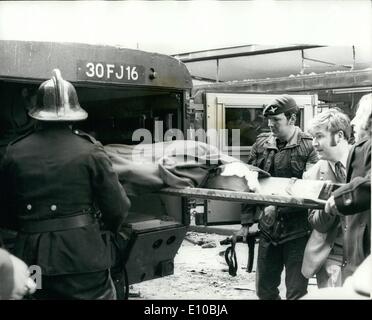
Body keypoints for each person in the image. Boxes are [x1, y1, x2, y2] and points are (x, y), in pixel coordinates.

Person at [0, 69, 131, 299]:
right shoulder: (90, 150)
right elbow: (118, 206)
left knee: (37, 295)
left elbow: (6, 212)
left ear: (36, 113)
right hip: (84, 258)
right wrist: (104, 233)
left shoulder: (14, 152)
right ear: (74, 114)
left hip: (32, 259)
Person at [238, 95, 318, 300]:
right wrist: (246, 222)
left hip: (298, 231)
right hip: (268, 230)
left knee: (296, 292)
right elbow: (250, 181)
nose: (270, 125)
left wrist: (277, 206)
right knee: (264, 291)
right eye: (269, 120)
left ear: (292, 119)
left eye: (276, 120)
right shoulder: (261, 143)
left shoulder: (310, 147)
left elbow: (310, 190)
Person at [301, 108, 352, 288]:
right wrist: (328, 209)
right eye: (312, 137)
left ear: (339, 136)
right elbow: (317, 224)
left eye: (319, 136)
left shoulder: (366, 162)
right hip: (333, 256)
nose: (314, 143)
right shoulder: (312, 174)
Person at [324, 93, 371, 282]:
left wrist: (339, 198)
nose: (354, 121)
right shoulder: (362, 146)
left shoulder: (367, 146)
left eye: (360, 114)